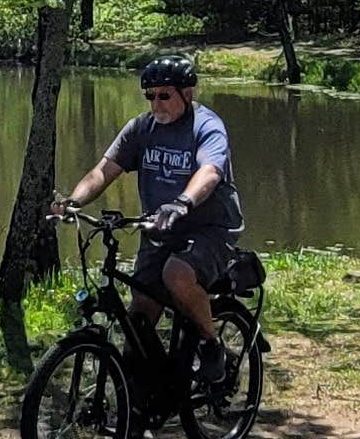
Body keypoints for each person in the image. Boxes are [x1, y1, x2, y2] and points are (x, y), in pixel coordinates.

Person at [51, 54, 244, 384]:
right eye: (150, 96)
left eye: (164, 95)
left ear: (188, 92)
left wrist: (182, 202)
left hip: (209, 228)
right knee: (139, 315)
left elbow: (209, 173)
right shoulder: (142, 129)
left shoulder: (206, 127)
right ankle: (141, 401)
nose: (157, 104)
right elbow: (104, 170)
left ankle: (212, 345)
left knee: (176, 274)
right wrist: (74, 200)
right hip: (159, 228)